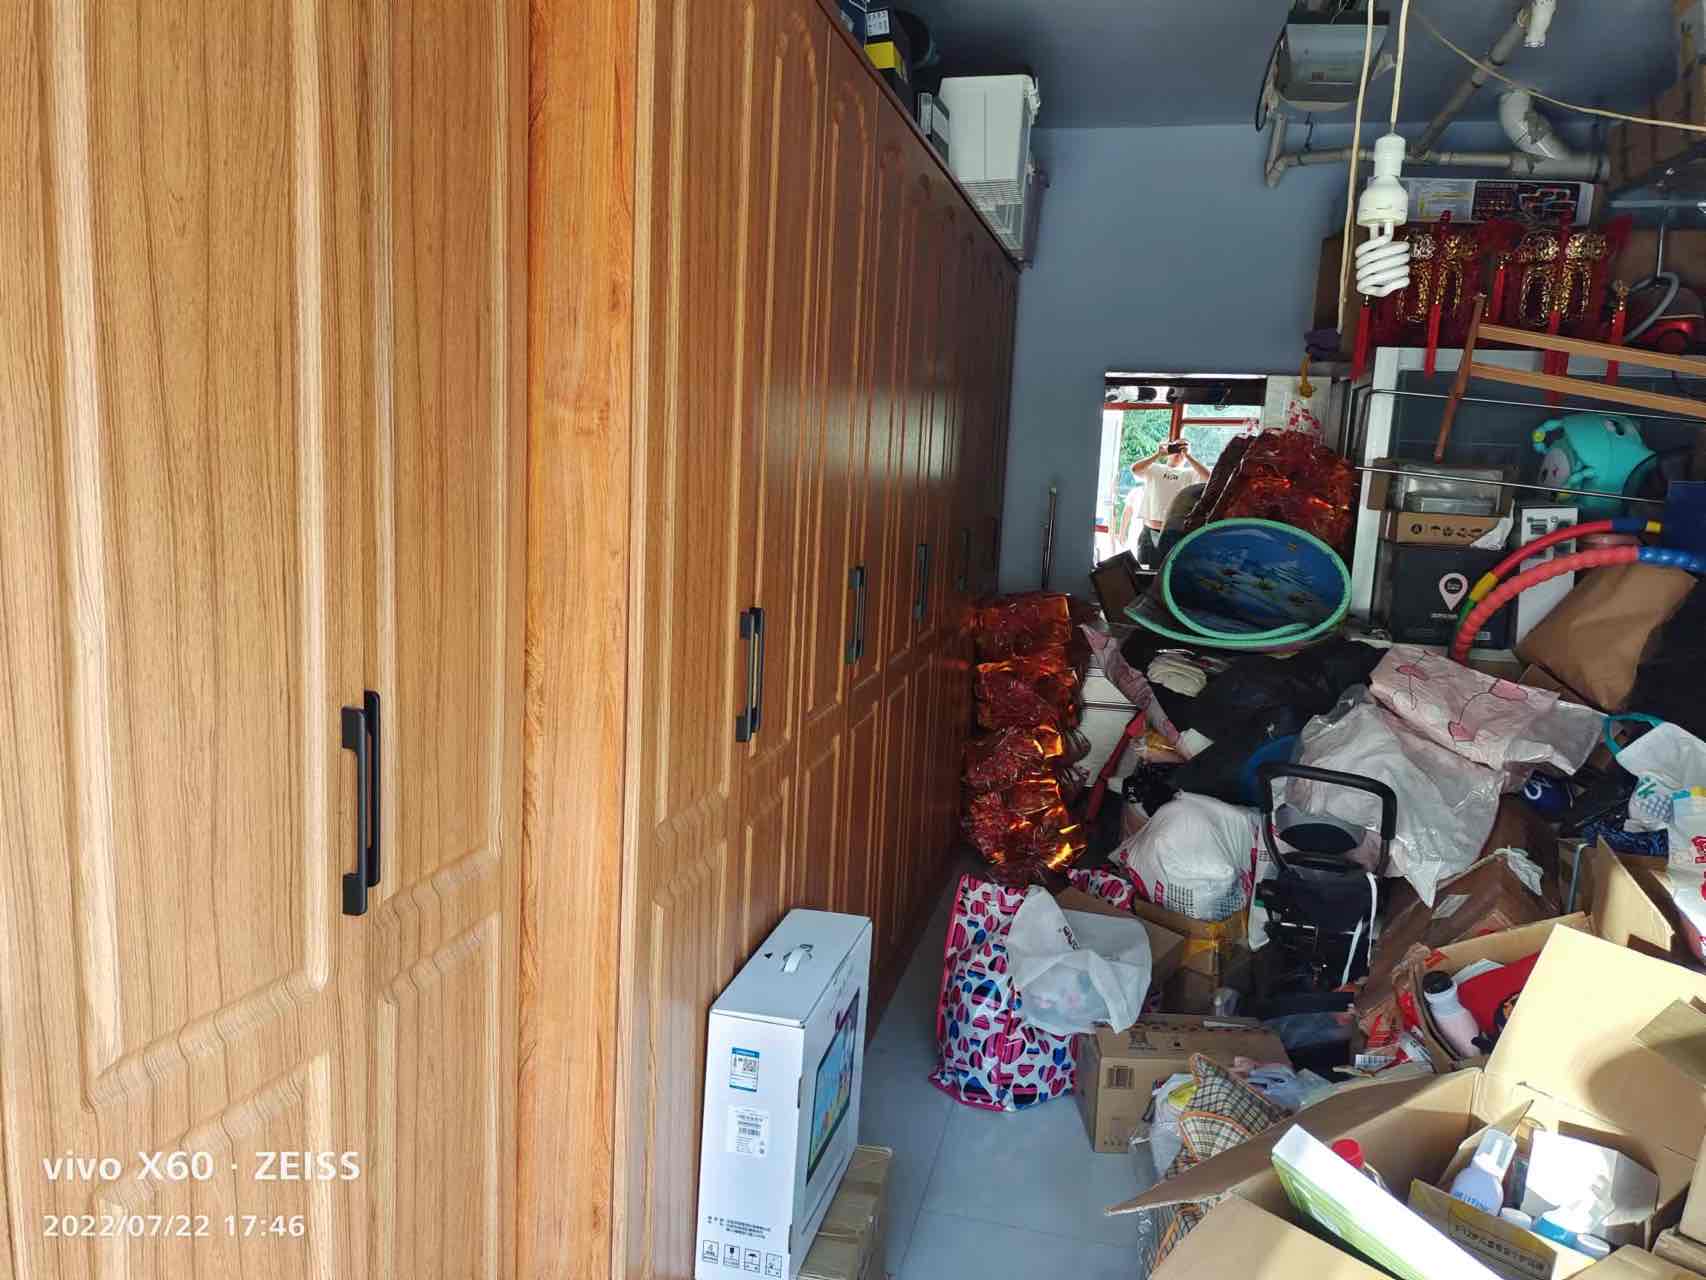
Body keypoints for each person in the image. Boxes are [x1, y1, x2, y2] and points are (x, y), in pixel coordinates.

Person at [1128, 440, 1209, 568]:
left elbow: (1209, 477)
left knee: (1167, 570)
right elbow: (1134, 469)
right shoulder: (1154, 468)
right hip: (1150, 530)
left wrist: (1188, 456)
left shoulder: (1190, 473)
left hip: (1174, 532)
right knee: (1144, 571)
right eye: (1176, 447)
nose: (1179, 452)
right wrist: (1158, 454)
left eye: (1183, 448)